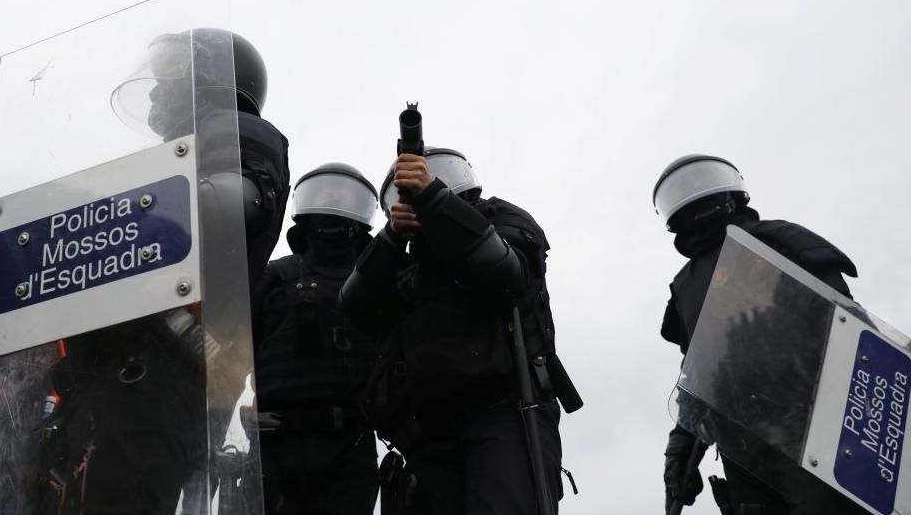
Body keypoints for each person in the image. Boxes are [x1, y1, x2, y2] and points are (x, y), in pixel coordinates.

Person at [35, 29, 290, 514]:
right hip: (113, 376)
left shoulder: (234, 130)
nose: (154, 88)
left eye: (171, 68)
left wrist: (114, 222)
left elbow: (240, 204)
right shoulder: (166, 163)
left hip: (168, 369)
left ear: (213, 74)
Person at [339, 147, 571, 515]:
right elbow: (355, 306)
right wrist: (392, 238)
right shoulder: (405, 261)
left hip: (506, 409)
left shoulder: (500, 218)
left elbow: (505, 270)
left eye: (439, 173)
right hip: (430, 427)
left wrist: (434, 198)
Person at [654, 154, 863, 514]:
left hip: (816, 423)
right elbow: (699, 377)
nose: (693, 193)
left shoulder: (779, 240)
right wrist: (680, 449)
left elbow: (848, 323)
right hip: (745, 447)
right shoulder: (684, 288)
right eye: (683, 188)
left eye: (700, 181)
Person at [252, 162, 380, 514]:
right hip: (274, 445)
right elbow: (228, 340)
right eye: (327, 196)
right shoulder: (275, 276)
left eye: (344, 198)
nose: (334, 205)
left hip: (349, 447)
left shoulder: (379, 281)